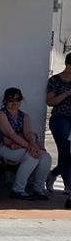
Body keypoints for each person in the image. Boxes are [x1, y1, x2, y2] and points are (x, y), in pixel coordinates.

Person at [0, 87, 51, 200]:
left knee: (45, 157)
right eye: (11, 100)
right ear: (5, 101)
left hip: (20, 145)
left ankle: (38, 189)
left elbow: (28, 133)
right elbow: (11, 134)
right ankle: (18, 190)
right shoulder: (0, 114)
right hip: (1, 146)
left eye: (18, 100)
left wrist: (33, 144)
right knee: (31, 157)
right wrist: (30, 147)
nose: (15, 103)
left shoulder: (24, 116)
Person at [45, 52, 71, 206]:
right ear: (68, 64)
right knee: (64, 150)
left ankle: (54, 173)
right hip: (60, 118)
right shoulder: (55, 80)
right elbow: (50, 101)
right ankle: (68, 184)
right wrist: (67, 94)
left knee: (68, 153)